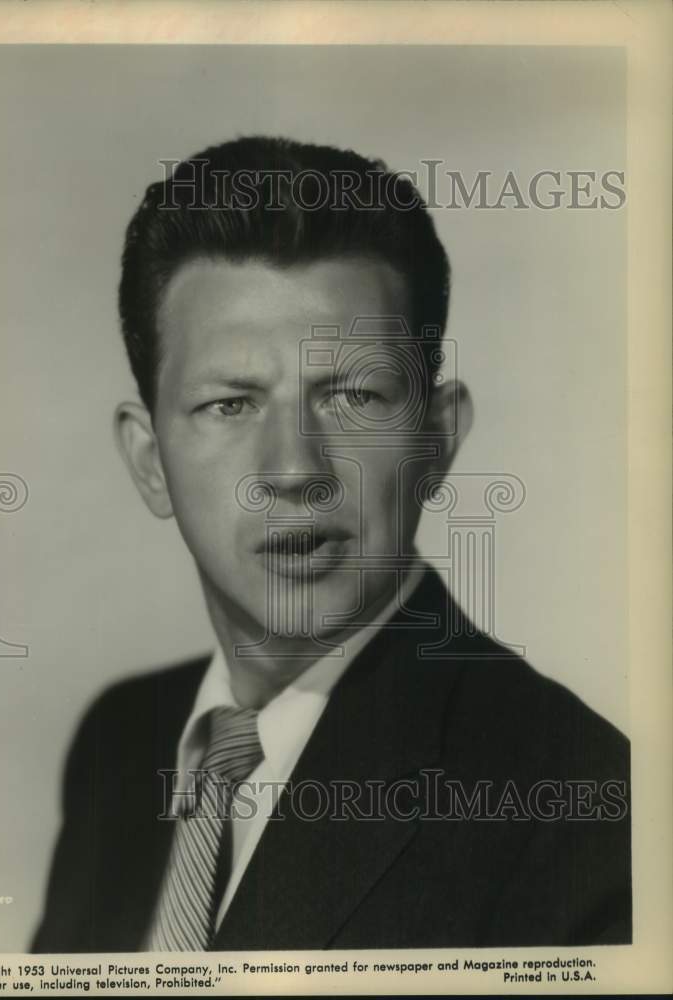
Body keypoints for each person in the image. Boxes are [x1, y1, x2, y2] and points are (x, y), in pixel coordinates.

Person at [31, 136, 631, 953]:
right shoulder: (121, 742)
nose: (293, 469)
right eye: (231, 404)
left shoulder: (585, 807)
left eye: (352, 395)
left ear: (435, 439)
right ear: (149, 463)